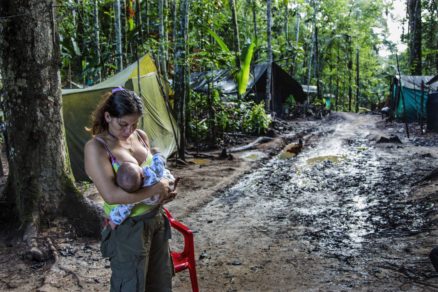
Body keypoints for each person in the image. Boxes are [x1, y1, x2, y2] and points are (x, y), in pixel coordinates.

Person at [84, 87, 176, 292]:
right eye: (123, 124)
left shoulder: (140, 136)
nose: (129, 131)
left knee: (159, 282)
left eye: (134, 124)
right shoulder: (97, 148)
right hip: (128, 229)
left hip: (156, 220)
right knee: (130, 285)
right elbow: (111, 195)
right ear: (108, 116)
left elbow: (153, 174)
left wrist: (165, 191)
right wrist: (155, 190)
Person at [109, 148, 176, 228]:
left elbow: (123, 209)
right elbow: (159, 163)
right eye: (139, 167)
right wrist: (157, 153)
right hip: (167, 186)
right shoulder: (151, 173)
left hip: (153, 201)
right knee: (163, 172)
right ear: (142, 175)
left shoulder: (135, 195)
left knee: (126, 206)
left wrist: (114, 221)